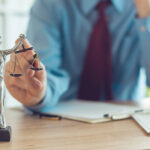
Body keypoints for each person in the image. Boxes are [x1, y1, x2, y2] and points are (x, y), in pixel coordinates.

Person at [4, 0, 150, 112]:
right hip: (61, 123)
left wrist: (146, 18)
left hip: (128, 124)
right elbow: (46, 72)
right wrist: (38, 90)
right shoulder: (49, 5)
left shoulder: (139, 6)